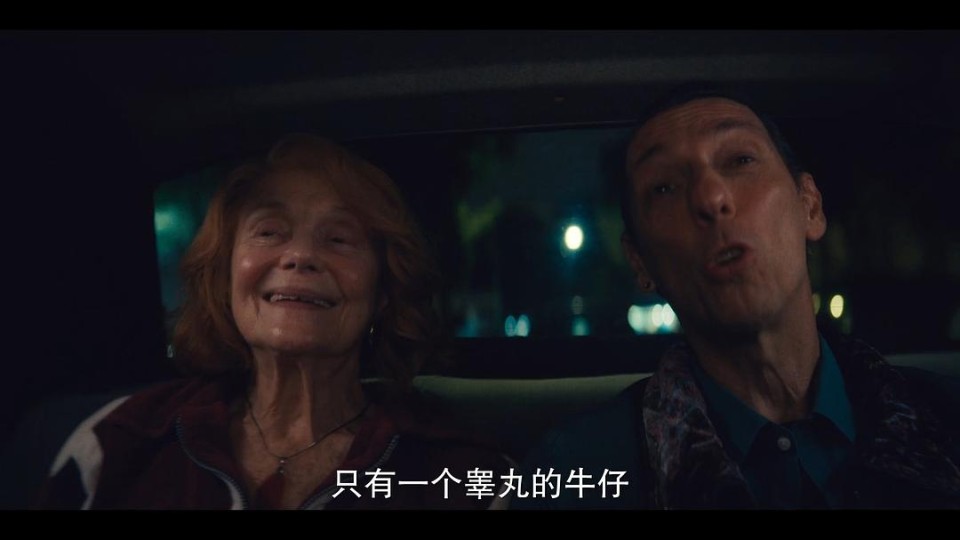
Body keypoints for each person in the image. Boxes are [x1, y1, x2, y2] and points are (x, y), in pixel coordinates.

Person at [513, 85, 960, 509]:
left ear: (809, 205)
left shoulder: (943, 419)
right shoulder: (579, 473)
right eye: (664, 186)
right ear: (640, 262)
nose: (711, 197)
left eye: (740, 159)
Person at [39, 134, 512, 509]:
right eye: (268, 232)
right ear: (226, 275)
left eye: (339, 239)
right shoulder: (123, 441)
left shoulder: (457, 473)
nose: (300, 255)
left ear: (383, 292)